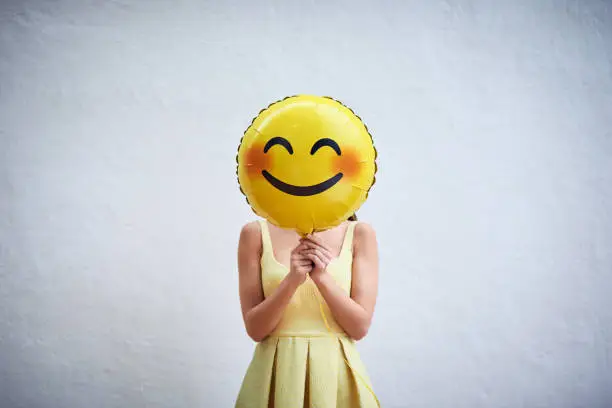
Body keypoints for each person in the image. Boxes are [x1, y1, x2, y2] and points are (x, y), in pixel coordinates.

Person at [234, 214, 380, 407]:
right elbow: (255, 330)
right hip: (276, 371)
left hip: (335, 373)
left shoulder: (360, 233)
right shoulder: (254, 233)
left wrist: (321, 277)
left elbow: (359, 328)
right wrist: (292, 280)